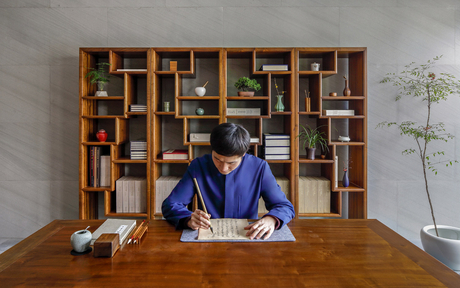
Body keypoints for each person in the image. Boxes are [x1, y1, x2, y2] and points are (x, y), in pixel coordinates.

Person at [162, 123, 295, 240]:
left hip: (247, 238)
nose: (224, 168)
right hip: (208, 239)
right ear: (212, 150)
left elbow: (285, 206)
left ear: (243, 155)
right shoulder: (198, 166)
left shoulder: (259, 167)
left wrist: (271, 219)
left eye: (231, 162)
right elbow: (170, 205)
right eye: (217, 159)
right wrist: (188, 219)